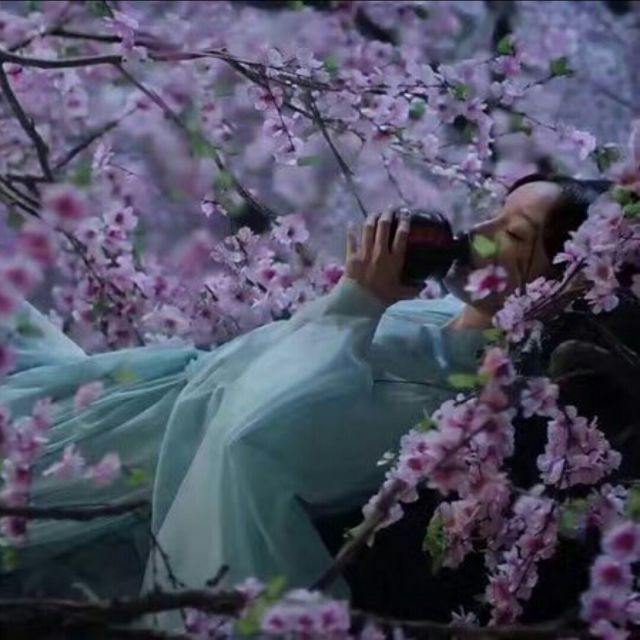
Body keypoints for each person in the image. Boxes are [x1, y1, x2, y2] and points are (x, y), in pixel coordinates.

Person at [0, 173, 610, 632]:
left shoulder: (459, 403)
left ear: (559, 285)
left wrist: (358, 304)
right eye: (496, 213)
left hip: (156, 460)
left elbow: (255, 442)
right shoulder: (438, 313)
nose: (479, 234)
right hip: (143, 395)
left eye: (513, 236)